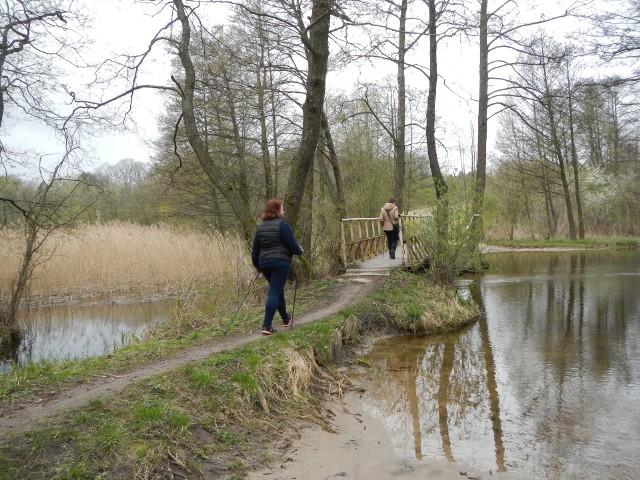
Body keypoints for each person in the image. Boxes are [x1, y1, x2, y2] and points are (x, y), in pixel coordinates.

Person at [251, 198, 304, 335]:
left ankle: (286, 318)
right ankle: (266, 326)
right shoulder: (282, 225)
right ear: (277, 210)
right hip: (280, 262)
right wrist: (299, 251)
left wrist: (258, 266)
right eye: (282, 208)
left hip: (265, 264)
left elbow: (255, 250)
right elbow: (291, 244)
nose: (284, 211)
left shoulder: (261, 227)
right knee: (274, 292)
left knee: (277, 290)